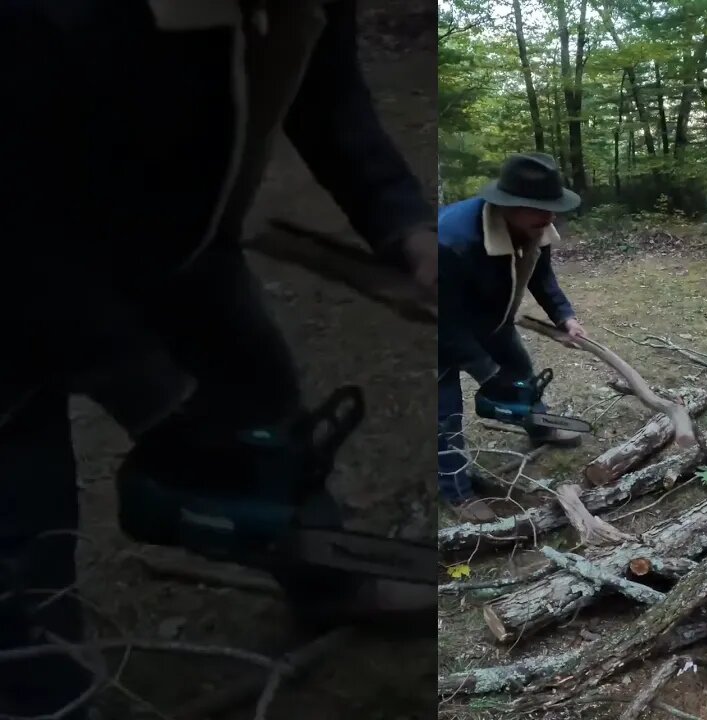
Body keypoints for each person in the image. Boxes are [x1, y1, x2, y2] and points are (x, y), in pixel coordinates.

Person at [0, 2, 437, 716]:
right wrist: (155, 394)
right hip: (16, 261)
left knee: (269, 423)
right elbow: (20, 223)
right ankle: (43, 694)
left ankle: (328, 578)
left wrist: (402, 223)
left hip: (178, 242)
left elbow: (327, 92)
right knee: (23, 522)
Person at [437, 153, 588, 523]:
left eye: (553, 208)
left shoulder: (537, 228)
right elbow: (443, 320)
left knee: (520, 371)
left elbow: (542, 277)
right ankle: (457, 492)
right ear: (510, 207)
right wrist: (488, 373)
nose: (550, 218)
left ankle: (539, 427)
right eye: (541, 210)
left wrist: (564, 316)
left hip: (490, 319)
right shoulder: (450, 240)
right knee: (444, 415)